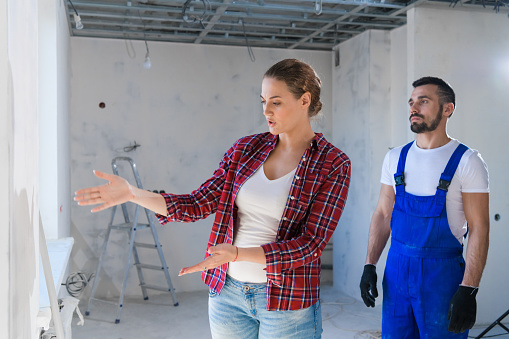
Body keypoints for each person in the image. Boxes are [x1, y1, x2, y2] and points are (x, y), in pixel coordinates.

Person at [75, 59, 351, 338]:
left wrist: (238, 254)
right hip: (228, 294)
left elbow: (311, 244)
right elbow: (197, 203)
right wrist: (133, 194)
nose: (266, 110)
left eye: (276, 102)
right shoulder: (246, 149)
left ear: (304, 100)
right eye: (263, 100)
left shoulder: (333, 163)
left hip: (287, 302)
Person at [359, 76, 490, 338]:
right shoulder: (395, 157)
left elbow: (479, 229)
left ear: (447, 108)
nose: (414, 108)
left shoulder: (467, 161)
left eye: (424, 101)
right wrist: (370, 265)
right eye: (411, 102)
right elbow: (383, 214)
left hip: (441, 276)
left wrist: (469, 288)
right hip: (396, 271)